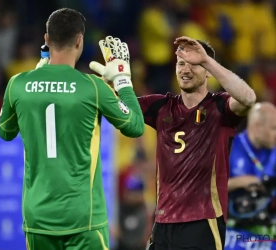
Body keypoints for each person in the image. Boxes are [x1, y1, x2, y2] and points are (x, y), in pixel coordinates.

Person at [90, 36, 256, 249]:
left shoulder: (220, 108)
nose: (185, 69)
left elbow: (248, 98)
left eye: (194, 64)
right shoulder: (161, 107)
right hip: (162, 223)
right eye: (181, 63)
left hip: (202, 222)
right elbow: (115, 108)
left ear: (207, 71)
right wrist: (116, 82)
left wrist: (206, 60)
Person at [0, 8, 144, 250]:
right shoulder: (94, 87)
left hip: (38, 217)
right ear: (80, 40)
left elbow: (5, 132)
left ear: (46, 40)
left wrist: (36, 79)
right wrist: (122, 82)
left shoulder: (17, 84)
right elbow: (136, 126)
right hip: (83, 218)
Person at [226, 102, 276, 249]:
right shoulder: (228, 148)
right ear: (256, 125)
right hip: (233, 233)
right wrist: (239, 183)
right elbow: (204, 188)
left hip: (268, 234)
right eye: (273, 128)